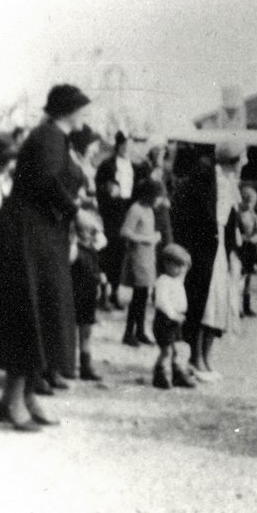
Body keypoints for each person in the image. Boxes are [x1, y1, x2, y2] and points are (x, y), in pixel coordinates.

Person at [0, 84, 91, 430]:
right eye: (81, 108)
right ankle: (15, 399)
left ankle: (22, 396)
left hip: (44, 238)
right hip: (27, 237)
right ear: (67, 110)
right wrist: (77, 212)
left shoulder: (56, 138)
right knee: (28, 313)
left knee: (45, 313)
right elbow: (48, 181)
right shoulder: (48, 136)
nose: (84, 115)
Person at [172, 140, 243, 379]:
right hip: (205, 249)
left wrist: (233, 251)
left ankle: (207, 357)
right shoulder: (205, 179)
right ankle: (195, 357)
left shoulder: (231, 184)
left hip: (222, 248)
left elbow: (231, 220)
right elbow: (191, 216)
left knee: (219, 304)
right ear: (232, 160)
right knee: (202, 303)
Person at [96, 130, 144, 310]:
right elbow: (100, 186)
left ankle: (116, 292)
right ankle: (104, 294)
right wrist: (107, 191)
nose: (126, 149)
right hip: (112, 212)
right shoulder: (107, 165)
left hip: (127, 210)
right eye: (123, 146)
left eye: (129, 146)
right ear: (117, 146)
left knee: (122, 253)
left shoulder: (135, 166)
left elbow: (138, 188)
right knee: (110, 250)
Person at [120, 179, 164, 347]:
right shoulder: (136, 209)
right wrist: (148, 239)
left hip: (147, 257)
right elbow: (125, 232)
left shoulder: (149, 210)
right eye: (157, 196)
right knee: (138, 297)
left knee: (143, 296)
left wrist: (154, 237)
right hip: (138, 258)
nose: (159, 200)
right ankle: (129, 332)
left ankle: (140, 331)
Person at [152, 244, 196, 390]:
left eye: (183, 267)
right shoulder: (164, 281)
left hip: (176, 320)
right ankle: (159, 374)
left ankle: (177, 373)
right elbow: (162, 302)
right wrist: (173, 315)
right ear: (167, 264)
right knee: (166, 350)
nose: (181, 270)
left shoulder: (176, 280)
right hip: (165, 320)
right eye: (178, 266)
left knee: (177, 347)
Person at [70, 209, 107, 381]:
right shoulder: (75, 250)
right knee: (71, 332)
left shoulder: (92, 249)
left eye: (92, 231)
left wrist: (98, 282)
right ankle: (68, 365)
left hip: (88, 296)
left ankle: (86, 366)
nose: (89, 234)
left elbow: (102, 241)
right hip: (75, 295)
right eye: (85, 230)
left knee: (86, 333)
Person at [238, 185, 257, 317]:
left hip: (250, 249)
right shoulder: (239, 214)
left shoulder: (253, 215)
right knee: (240, 279)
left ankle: (246, 306)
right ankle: (239, 307)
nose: (250, 205)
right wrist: (246, 238)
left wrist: (256, 236)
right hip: (242, 248)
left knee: (248, 279)